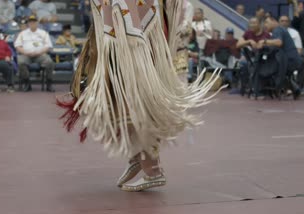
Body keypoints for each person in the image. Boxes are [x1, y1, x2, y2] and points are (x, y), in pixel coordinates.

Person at [57, 0, 221, 192]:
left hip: (132, 43)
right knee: (124, 103)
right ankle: (138, 157)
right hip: (130, 39)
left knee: (134, 103)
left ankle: (152, 169)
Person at [258, 16, 304, 97]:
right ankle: (294, 88)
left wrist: (264, 41)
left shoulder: (277, 30)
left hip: (290, 61)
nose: (265, 25)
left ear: (274, 21)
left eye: (266, 22)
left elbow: (279, 42)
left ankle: (261, 90)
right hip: (293, 60)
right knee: (274, 67)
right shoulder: (279, 30)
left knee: (266, 68)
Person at [14, 15, 54, 92]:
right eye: (30, 22)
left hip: (40, 54)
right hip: (26, 55)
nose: (32, 23)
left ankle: (49, 84)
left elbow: (48, 46)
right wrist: (25, 52)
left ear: (37, 23)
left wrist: (40, 52)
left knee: (49, 62)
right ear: (28, 23)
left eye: (34, 22)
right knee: (21, 62)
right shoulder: (22, 33)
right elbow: (17, 46)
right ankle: (27, 83)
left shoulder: (43, 33)